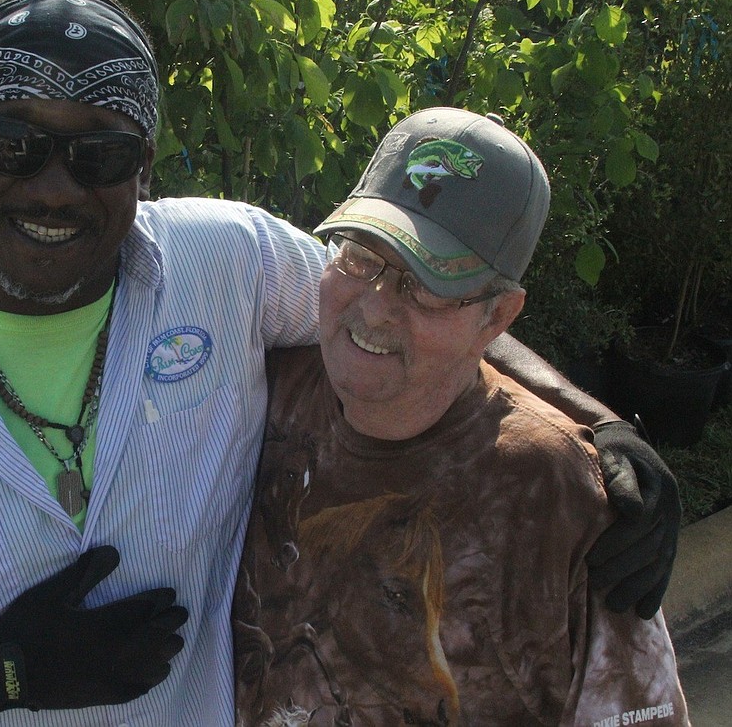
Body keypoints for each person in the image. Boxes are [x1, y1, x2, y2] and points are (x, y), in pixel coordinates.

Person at [0, 0, 677, 725]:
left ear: (142, 169)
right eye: (12, 145)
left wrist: (596, 424)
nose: (52, 187)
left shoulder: (222, 262)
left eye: (98, 155)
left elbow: (399, 299)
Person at [232, 108, 688, 726]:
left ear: (497, 318)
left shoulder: (556, 494)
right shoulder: (258, 387)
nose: (375, 307)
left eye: (427, 284)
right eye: (363, 255)